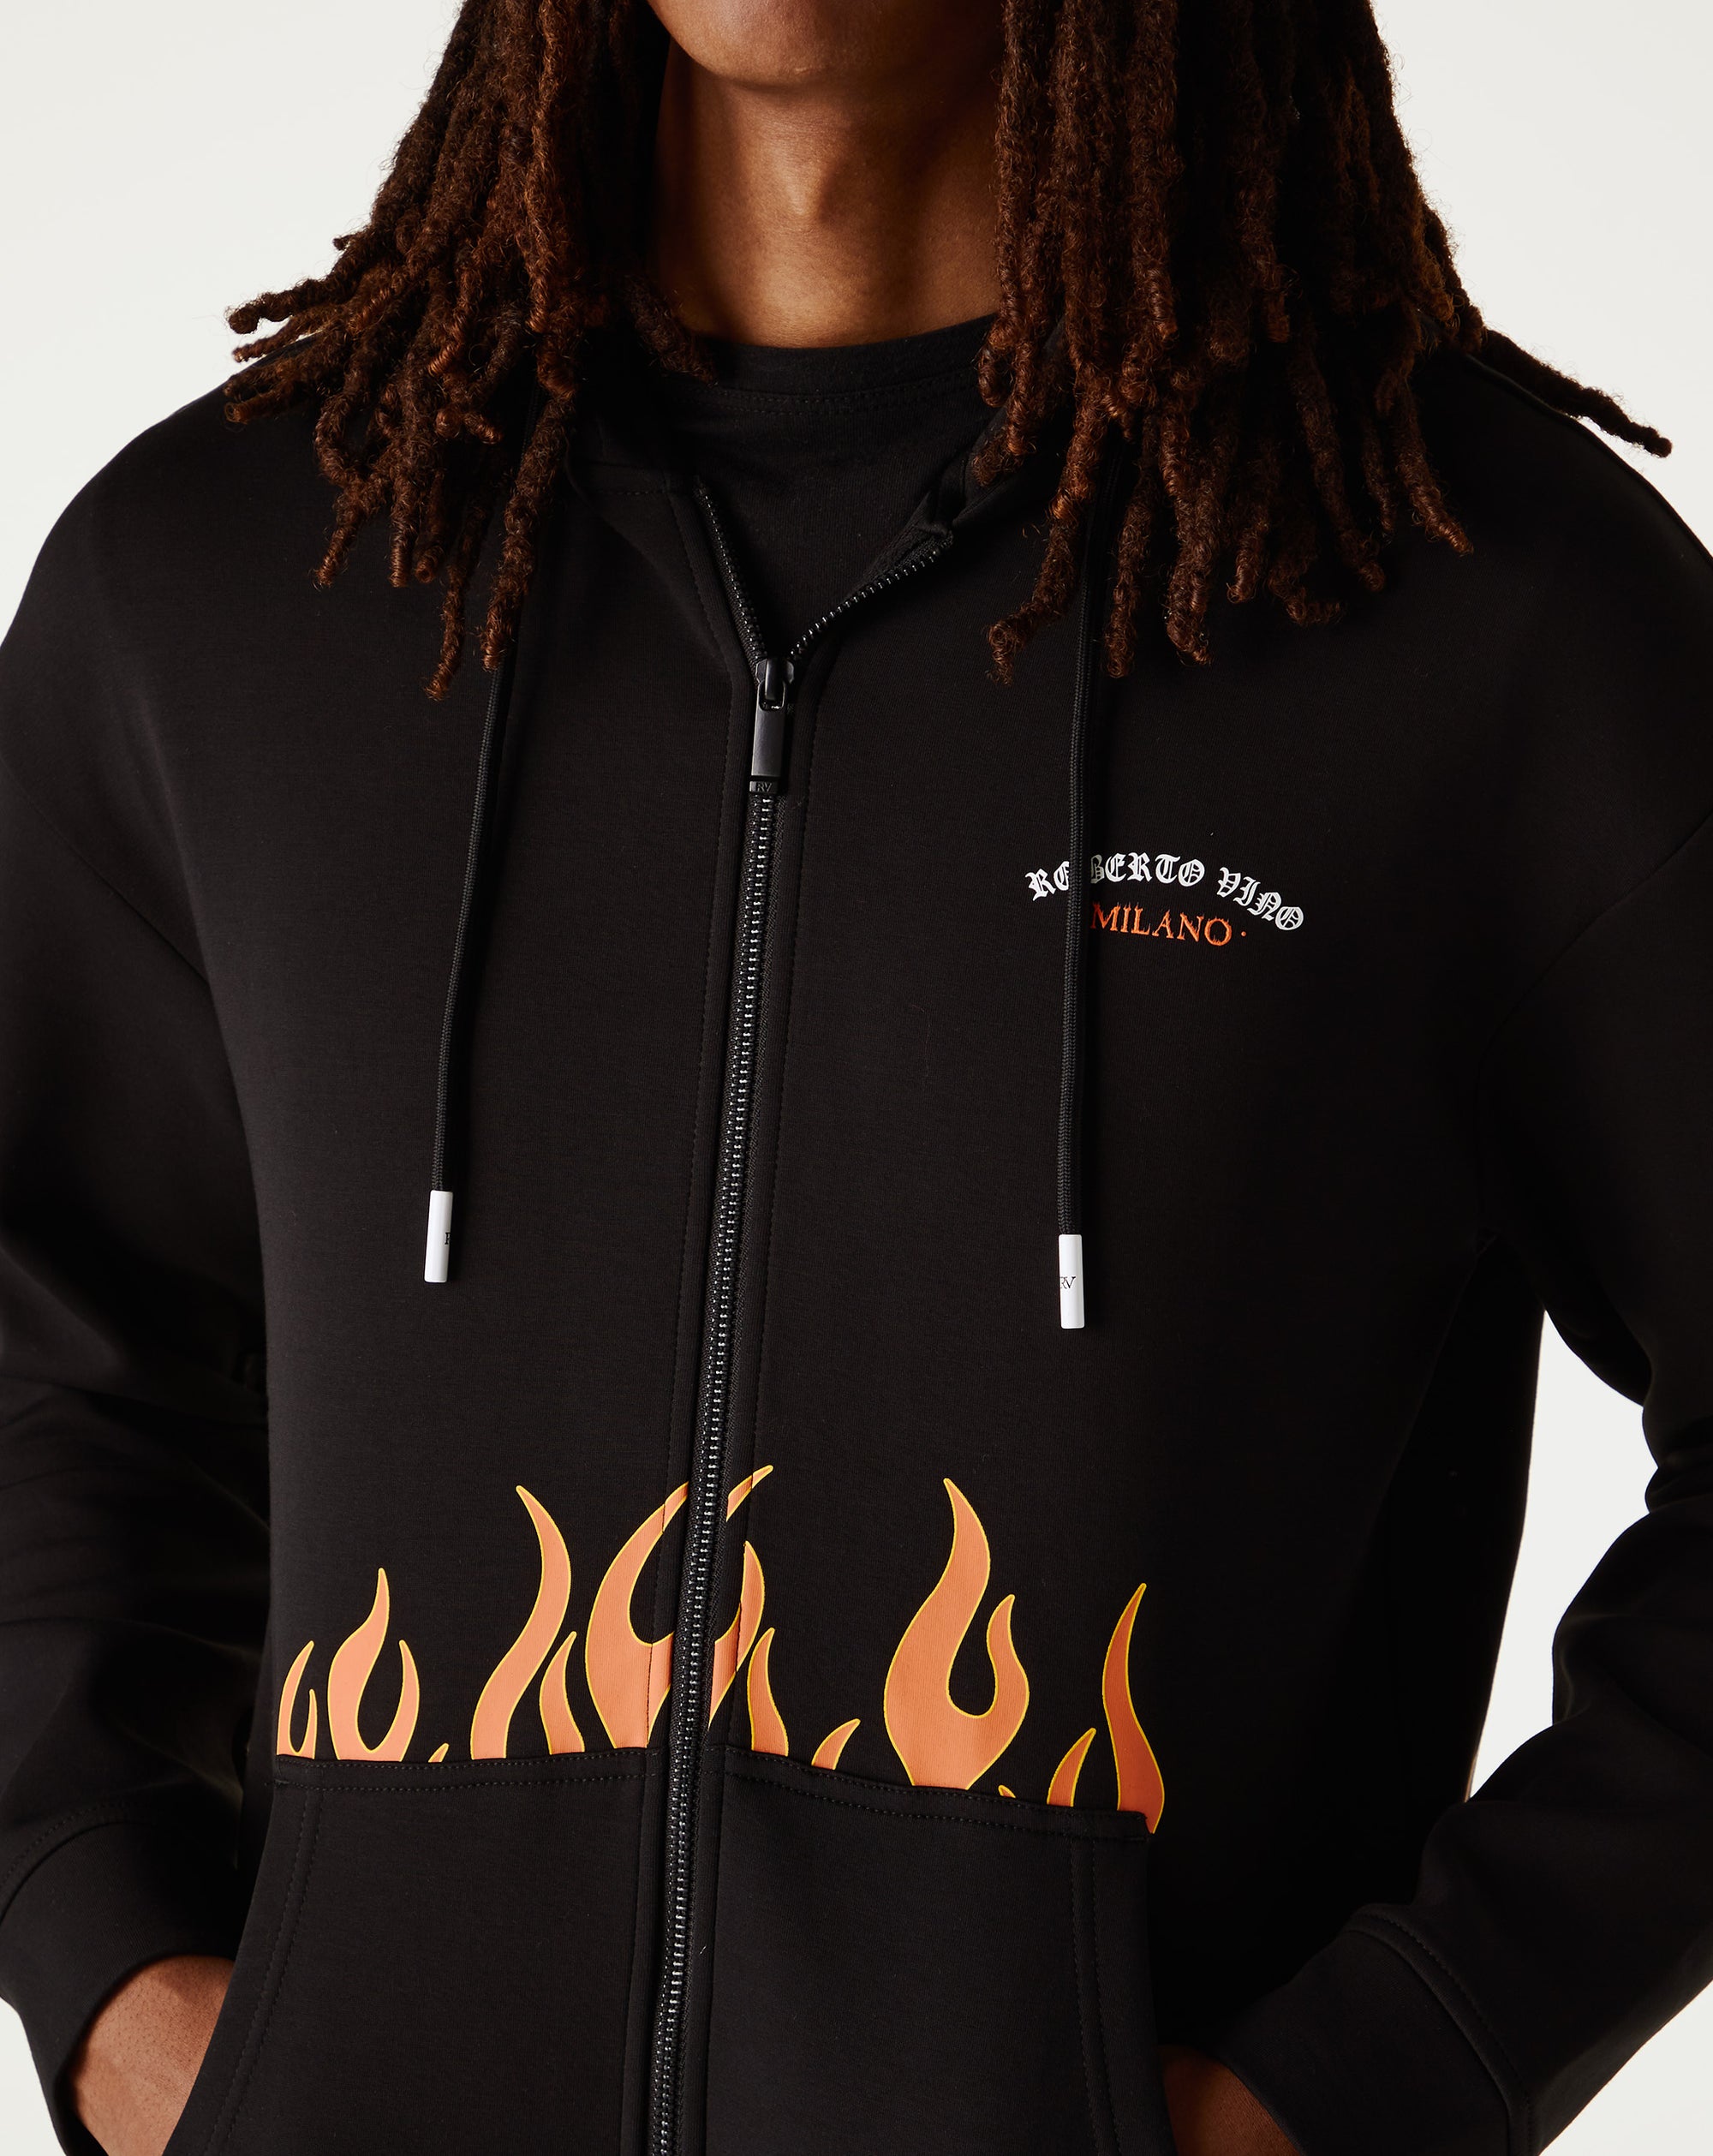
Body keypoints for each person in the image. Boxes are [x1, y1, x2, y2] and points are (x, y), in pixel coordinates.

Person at [2, 1, 1710, 2152]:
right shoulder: (227, 584)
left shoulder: (1469, 604)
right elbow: (47, 1336)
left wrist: (1382, 2067)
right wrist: (104, 1954)